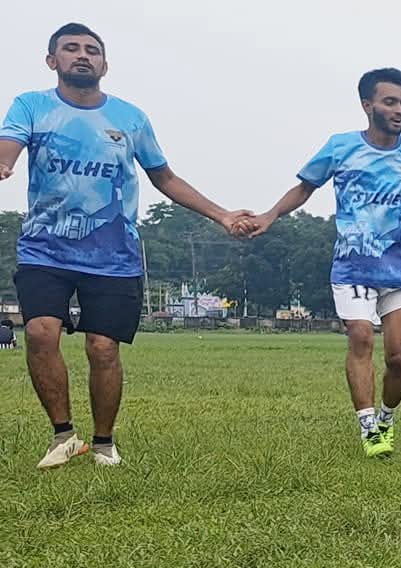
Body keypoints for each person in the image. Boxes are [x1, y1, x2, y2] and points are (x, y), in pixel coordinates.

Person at [2, 23, 251, 468]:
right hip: (45, 250)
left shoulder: (130, 118)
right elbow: (9, 147)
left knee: (103, 347)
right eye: (71, 49)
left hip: (113, 254)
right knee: (40, 332)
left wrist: (223, 215)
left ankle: (102, 443)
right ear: (51, 60)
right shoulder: (32, 106)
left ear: (105, 64)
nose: (83, 56)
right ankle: (63, 436)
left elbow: (166, 178)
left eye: (92, 50)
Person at [246, 67, 401, 457]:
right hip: (352, 267)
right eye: (390, 102)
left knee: (398, 358)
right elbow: (304, 187)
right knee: (361, 336)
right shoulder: (340, 147)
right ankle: (368, 428)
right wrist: (269, 216)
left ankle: (386, 417)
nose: (399, 110)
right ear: (368, 105)